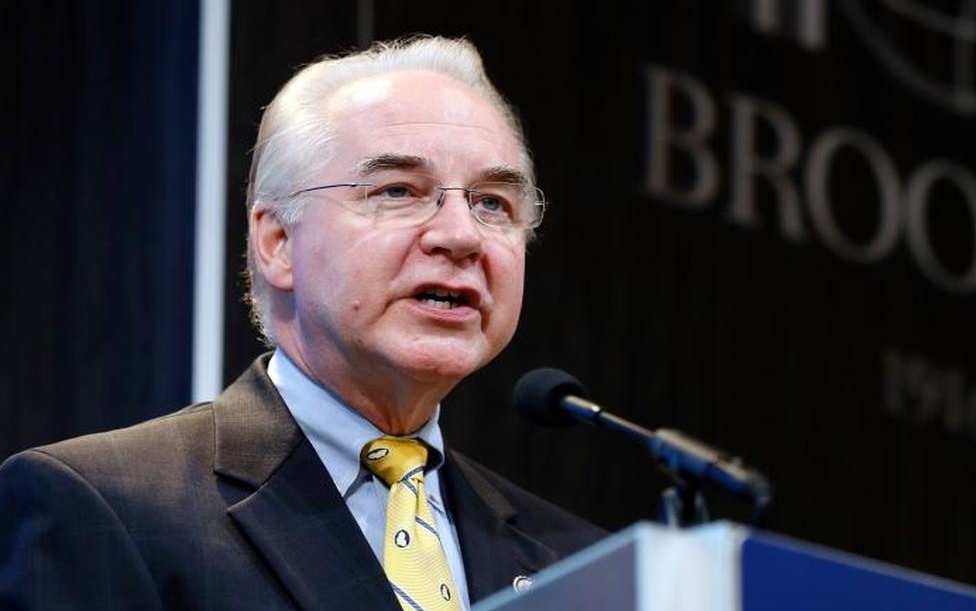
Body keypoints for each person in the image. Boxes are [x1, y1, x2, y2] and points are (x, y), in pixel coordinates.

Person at [0, 36, 605, 611]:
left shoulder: (575, 560)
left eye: (493, 203)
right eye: (398, 191)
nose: (460, 235)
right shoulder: (106, 506)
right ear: (277, 241)